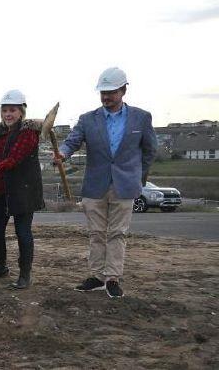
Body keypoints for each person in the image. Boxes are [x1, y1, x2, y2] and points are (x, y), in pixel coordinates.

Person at [56, 67, 156, 298]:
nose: (106, 96)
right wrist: (62, 153)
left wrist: (138, 177)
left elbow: (149, 151)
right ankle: (96, 276)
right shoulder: (87, 119)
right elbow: (72, 142)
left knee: (118, 233)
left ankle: (112, 278)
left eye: (111, 92)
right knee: (96, 233)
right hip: (95, 185)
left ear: (123, 91)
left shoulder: (141, 117)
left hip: (125, 185)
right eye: (103, 92)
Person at [0, 90, 44, 289]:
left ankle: (25, 275)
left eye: (12, 110)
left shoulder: (28, 133)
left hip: (22, 191)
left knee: (22, 232)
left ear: (21, 112)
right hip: (0, 190)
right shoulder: (0, 134)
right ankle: (1, 266)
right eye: (5, 110)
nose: (8, 114)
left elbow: (16, 157)